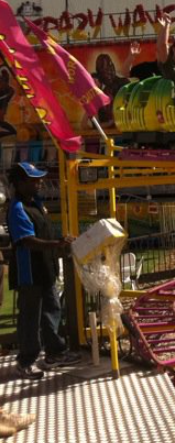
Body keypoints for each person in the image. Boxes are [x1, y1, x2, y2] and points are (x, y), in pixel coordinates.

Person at [6, 162, 81, 380]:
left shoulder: (36, 204)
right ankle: (25, 361)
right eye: (33, 180)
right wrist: (58, 244)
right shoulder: (17, 208)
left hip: (45, 269)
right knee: (30, 317)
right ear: (20, 184)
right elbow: (27, 241)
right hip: (29, 272)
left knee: (52, 309)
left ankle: (54, 353)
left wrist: (57, 245)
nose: (39, 183)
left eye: (39, 179)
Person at [92, 54, 130, 125]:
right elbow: (90, 124)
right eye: (104, 70)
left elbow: (127, 106)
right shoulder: (100, 93)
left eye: (110, 67)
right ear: (99, 74)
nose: (109, 72)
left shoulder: (123, 84)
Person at [0, 69, 16, 138]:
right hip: (2, 105)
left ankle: (13, 132)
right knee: (1, 122)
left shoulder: (8, 90)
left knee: (1, 121)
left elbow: (11, 91)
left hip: (2, 105)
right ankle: (13, 132)